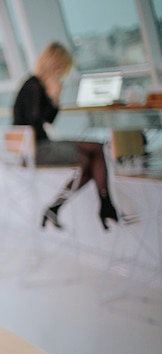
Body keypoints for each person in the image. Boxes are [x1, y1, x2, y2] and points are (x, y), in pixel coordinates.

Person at [12, 41, 118, 230]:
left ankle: (66, 207)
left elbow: (48, 120)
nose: (62, 73)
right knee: (91, 155)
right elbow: (38, 119)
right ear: (55, 64)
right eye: (62, 68)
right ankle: (103, 204)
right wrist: (52, 96)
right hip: (36, 149)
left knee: (94, 151)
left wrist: (54, 98)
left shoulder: (36, 85)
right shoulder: (33, 85)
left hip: (40, 144)